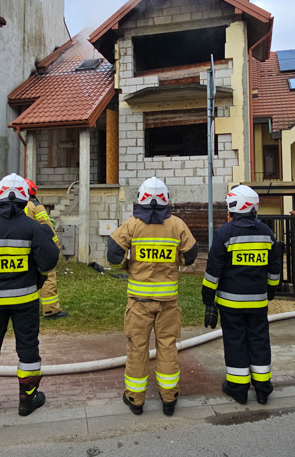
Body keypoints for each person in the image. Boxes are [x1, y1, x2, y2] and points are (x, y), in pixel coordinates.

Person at [0, 173, 60, 417]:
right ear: (24, 198)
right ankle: (27, 400)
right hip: (25, 301)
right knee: (27, 348)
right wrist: (37, 279)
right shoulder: (34, 228)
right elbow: (48, 263)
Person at [106, 176, 198, 417]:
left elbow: (113, 256)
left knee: (137, 347)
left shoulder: (132, 225)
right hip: (168, 303)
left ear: (141, 200)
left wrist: (127, 266)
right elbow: (190, 256)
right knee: (167, 346)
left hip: (138, 303)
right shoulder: (177, 225)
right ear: (167, 199)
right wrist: (175, 261)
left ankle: (135, 399)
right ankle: (169, 399)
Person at [202, 184, 284, 405]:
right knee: (259, 341)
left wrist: (208, 298)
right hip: (258, 302)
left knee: (235, 341)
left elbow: (213, 270)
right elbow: (275, 267)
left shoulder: (224, 234)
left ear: (233, 207)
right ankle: (262, 389)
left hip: (231, 304)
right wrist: (271, 289)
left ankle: (238, 389)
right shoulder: (267, 233)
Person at [24, 179, 67, 319]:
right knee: (48, 276)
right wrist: (55, 246)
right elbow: (47, 228)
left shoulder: (15, 207)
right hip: (37, 248)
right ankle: (51, 310)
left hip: (20, 249)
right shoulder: (36, 206)